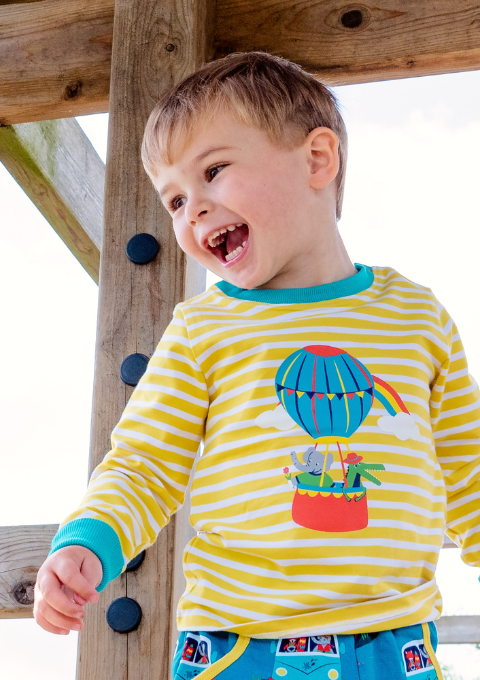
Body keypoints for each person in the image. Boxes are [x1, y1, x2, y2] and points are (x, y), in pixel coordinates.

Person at [34, 52, 480, 680]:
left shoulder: (413, 316)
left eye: (213, 171)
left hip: (394, 646)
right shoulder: (202, 331)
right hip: (239, 645)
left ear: (316, 160)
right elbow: (143, 463)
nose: (192, 212)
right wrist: (88, 543)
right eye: (175, 200)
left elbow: (470, 466)